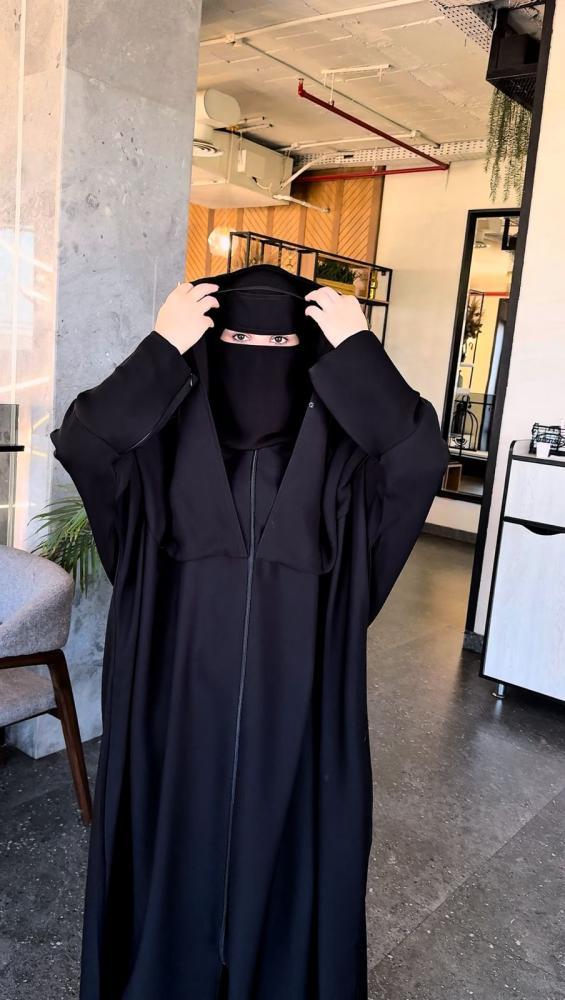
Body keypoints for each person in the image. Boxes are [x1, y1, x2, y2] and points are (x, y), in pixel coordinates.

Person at [50, 263, 450, 1000]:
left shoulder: (342, 466)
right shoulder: (160, 450)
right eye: (235, 337)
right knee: (172, 861)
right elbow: (84, 442)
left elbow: (420, 458)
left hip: (298, 717)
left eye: (278, 341)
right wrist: (159, 350)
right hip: (173, 713)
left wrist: (360, 354)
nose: (254, 353)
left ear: (307, 350)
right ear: (208, 343)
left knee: (288, 867)